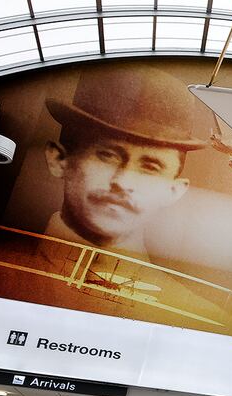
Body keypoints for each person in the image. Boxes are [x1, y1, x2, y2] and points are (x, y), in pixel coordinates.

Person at [42, 67, 207, 258]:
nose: (122, 182)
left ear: (173, 191)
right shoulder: (3, 259)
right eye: (107, 156)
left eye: (150, 168)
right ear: (59, 159)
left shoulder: (175, 290)